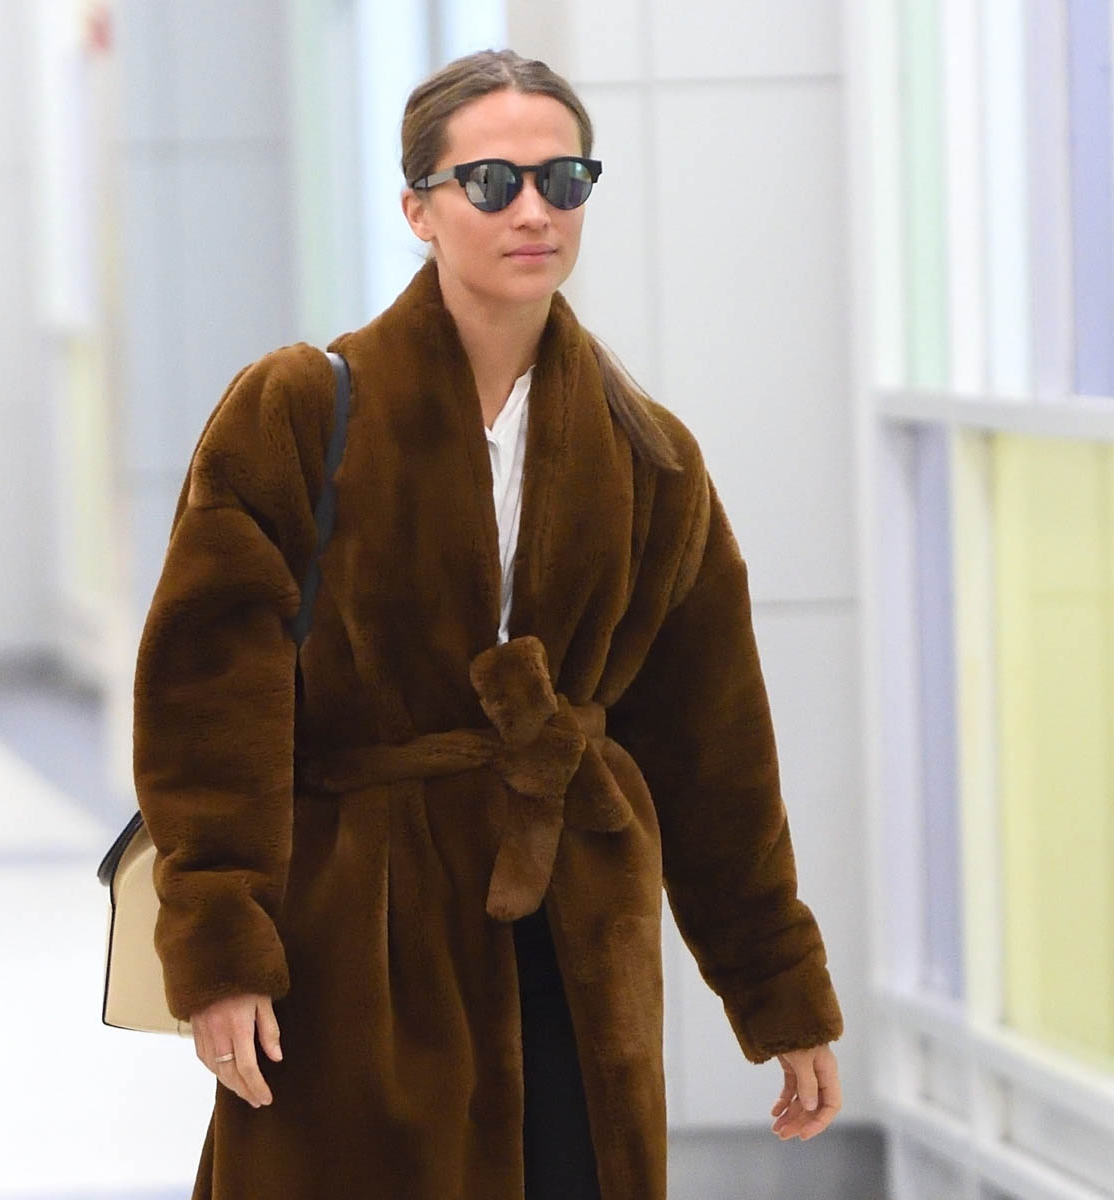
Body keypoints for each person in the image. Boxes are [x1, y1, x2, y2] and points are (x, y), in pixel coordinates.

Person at [133, 47, 844, 1200]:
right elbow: (207, 712)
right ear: (417, 207)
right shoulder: (297, 411)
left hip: (580, 930)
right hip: (358, 927)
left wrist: (778, 993)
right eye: (492, 182)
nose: (533, 211)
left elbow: (715, 753)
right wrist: (221, 948)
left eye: (562, 181)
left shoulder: (649, 457)